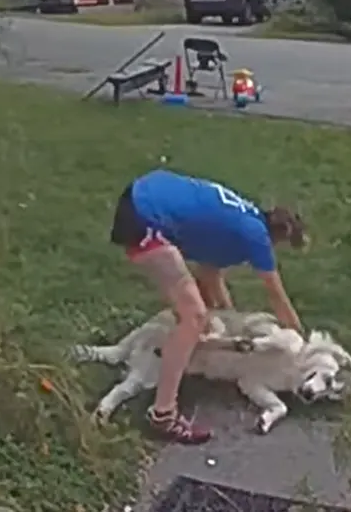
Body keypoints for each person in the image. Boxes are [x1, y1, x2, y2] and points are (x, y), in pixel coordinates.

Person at [108, 168, 307, 443]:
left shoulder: (240, 219)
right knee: (194, 316)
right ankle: (163, 415)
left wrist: (233, 324)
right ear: (277, 237)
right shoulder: (255, 235)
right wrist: (301, 342)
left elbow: (210, 276)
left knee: (202, 309)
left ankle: (175, 357)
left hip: (146, 193)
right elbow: (277, 297)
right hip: (146, 216)